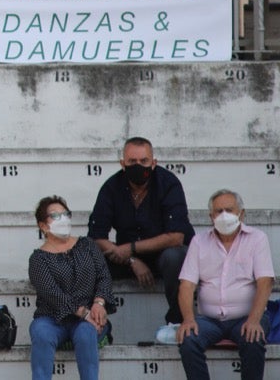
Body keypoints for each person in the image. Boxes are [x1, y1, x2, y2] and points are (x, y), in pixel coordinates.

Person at [87, 137, 193, 343]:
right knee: (88, 257)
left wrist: (131, 248)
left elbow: (176, 237)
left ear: (153, 163)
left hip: (165, 256)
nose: (138, 166)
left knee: (176, 256)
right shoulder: (111, 187)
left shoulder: (168, 183)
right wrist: (131, 258)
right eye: (132, 162)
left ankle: (177, 320)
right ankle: (98, 326)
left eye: (144, 161)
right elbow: (95, 236)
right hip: (129, 259)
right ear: (122, 163)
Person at [176, 189, 274, 380]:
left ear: (241, 213)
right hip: (210, 320)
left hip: (246, 316)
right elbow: (186, 285)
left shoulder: (257, 239)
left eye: (229, 210)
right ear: (211, 216)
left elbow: (265, 283)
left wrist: (254, 320)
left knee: (253, 338)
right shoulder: (199, 242)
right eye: (218, 211)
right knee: (188, 339)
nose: (224, 215)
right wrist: (188, 319)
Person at [28, 195, 110, 380]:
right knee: (41, 332)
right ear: (43, 226)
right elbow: (52, 293)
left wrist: (99, 304)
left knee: (86, 332)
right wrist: (84, 313)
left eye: (65, 214)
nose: (63, 219)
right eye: (55, 216)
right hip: (52, 318)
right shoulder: (38, 259)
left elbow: (104, 275)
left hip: (88, 318)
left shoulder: (87, 245)